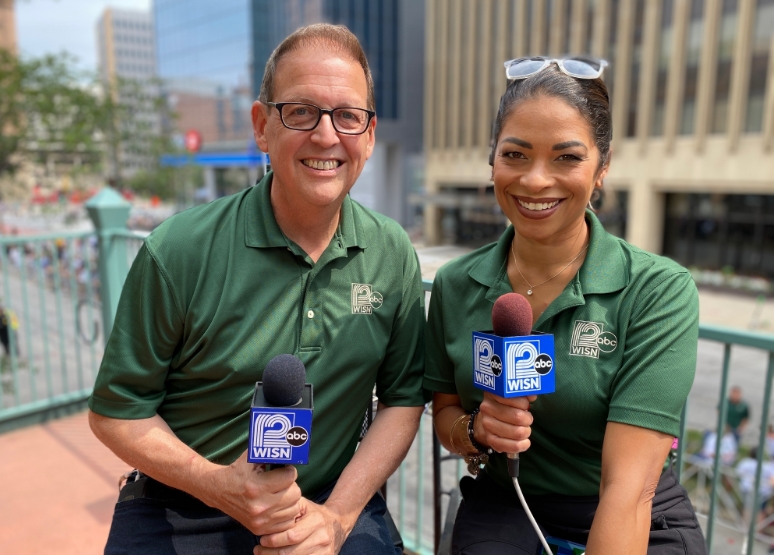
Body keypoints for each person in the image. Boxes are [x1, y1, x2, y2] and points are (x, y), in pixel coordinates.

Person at [88, 24, 426, 555]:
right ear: (261, 126)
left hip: (324, 503)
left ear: (370, 133)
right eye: (300, 111)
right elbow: (117, 411)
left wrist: (337, 518)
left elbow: (403, 399)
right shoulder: (179, 250)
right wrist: (220, 486)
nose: (326, 135)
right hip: (185, 501)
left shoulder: (392, 254)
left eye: (347, 115)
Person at [425, 57, 706, 554]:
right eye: (515, 154)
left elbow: (629, 489)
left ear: (603, 167)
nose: (535, 181)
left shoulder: (658, 291)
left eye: (566, 157)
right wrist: (476, 429)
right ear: (492, 160)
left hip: (628, 509)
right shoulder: (454, 284)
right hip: (505, 503)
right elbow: (445, 411)